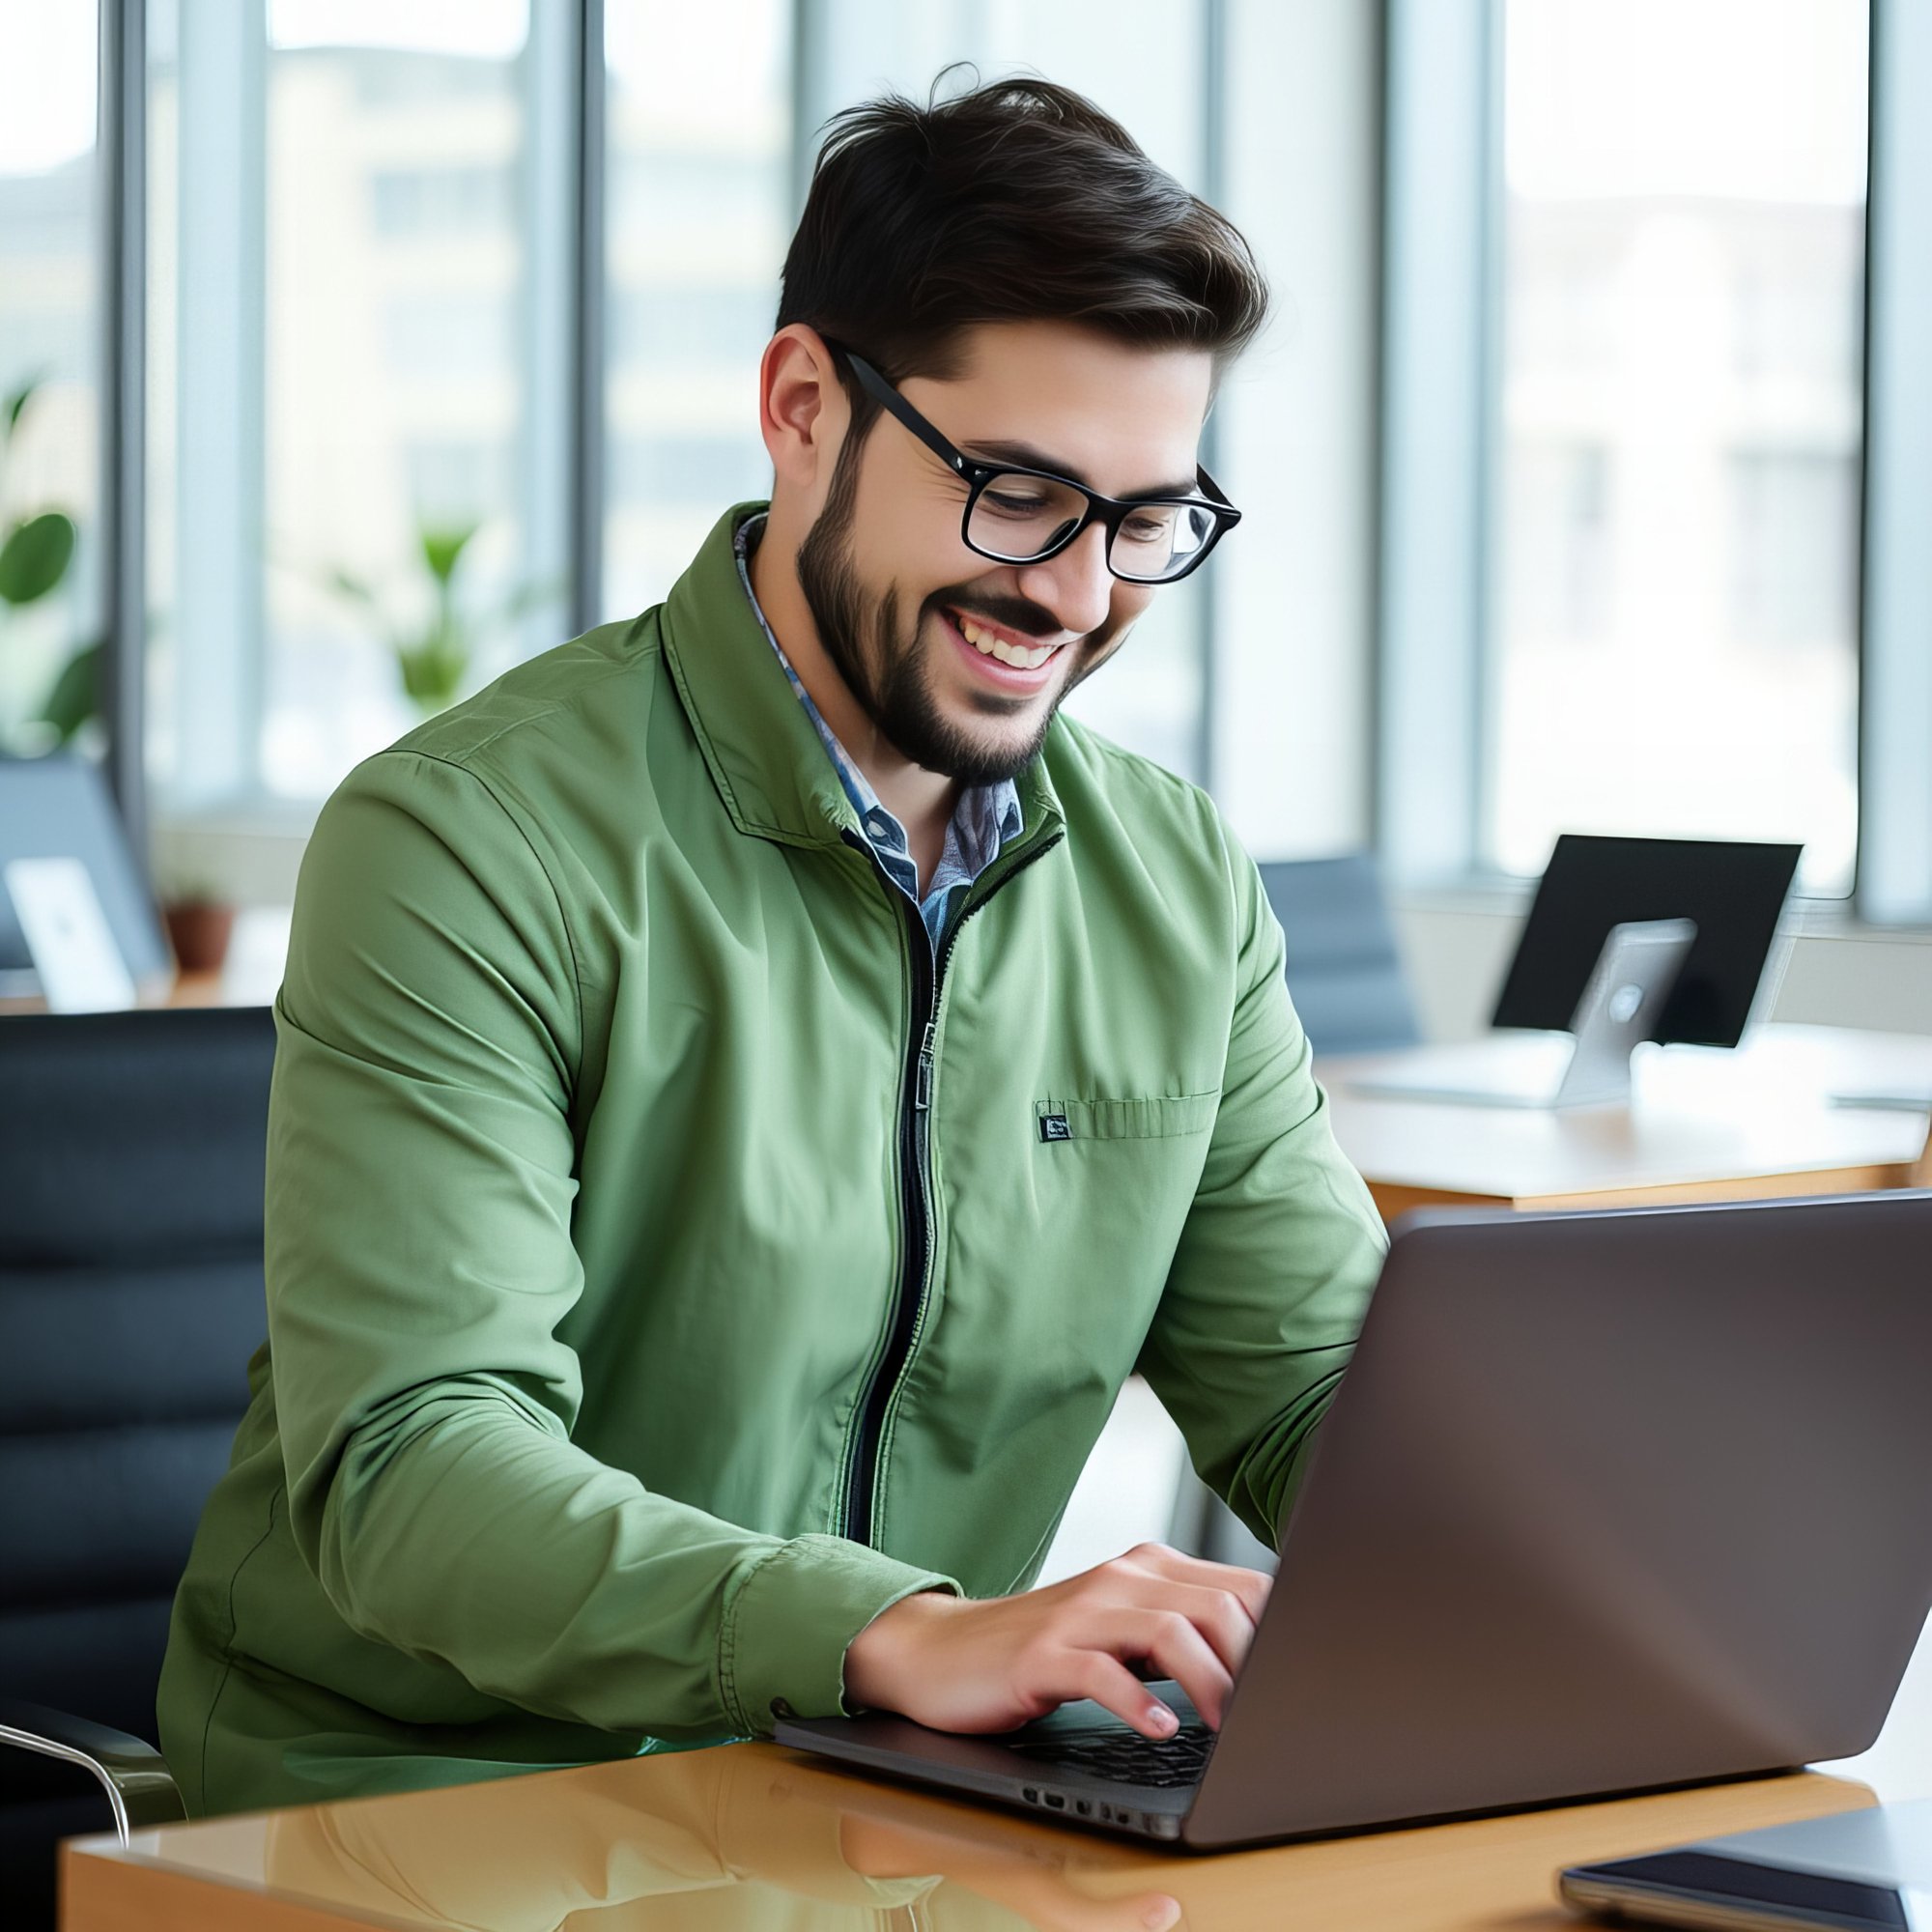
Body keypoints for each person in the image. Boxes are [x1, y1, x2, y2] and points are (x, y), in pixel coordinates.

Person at [158, 75, 1387, 1818]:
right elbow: (414, 1466)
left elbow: (1318, 1391)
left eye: (1138, 522)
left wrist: (1575, 1570)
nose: (1076, 593)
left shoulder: (1174, 884)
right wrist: (893, 1631)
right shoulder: (464, 841)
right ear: (803, 404)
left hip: (897, 1806)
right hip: (426, 1805)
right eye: (1019, 493)